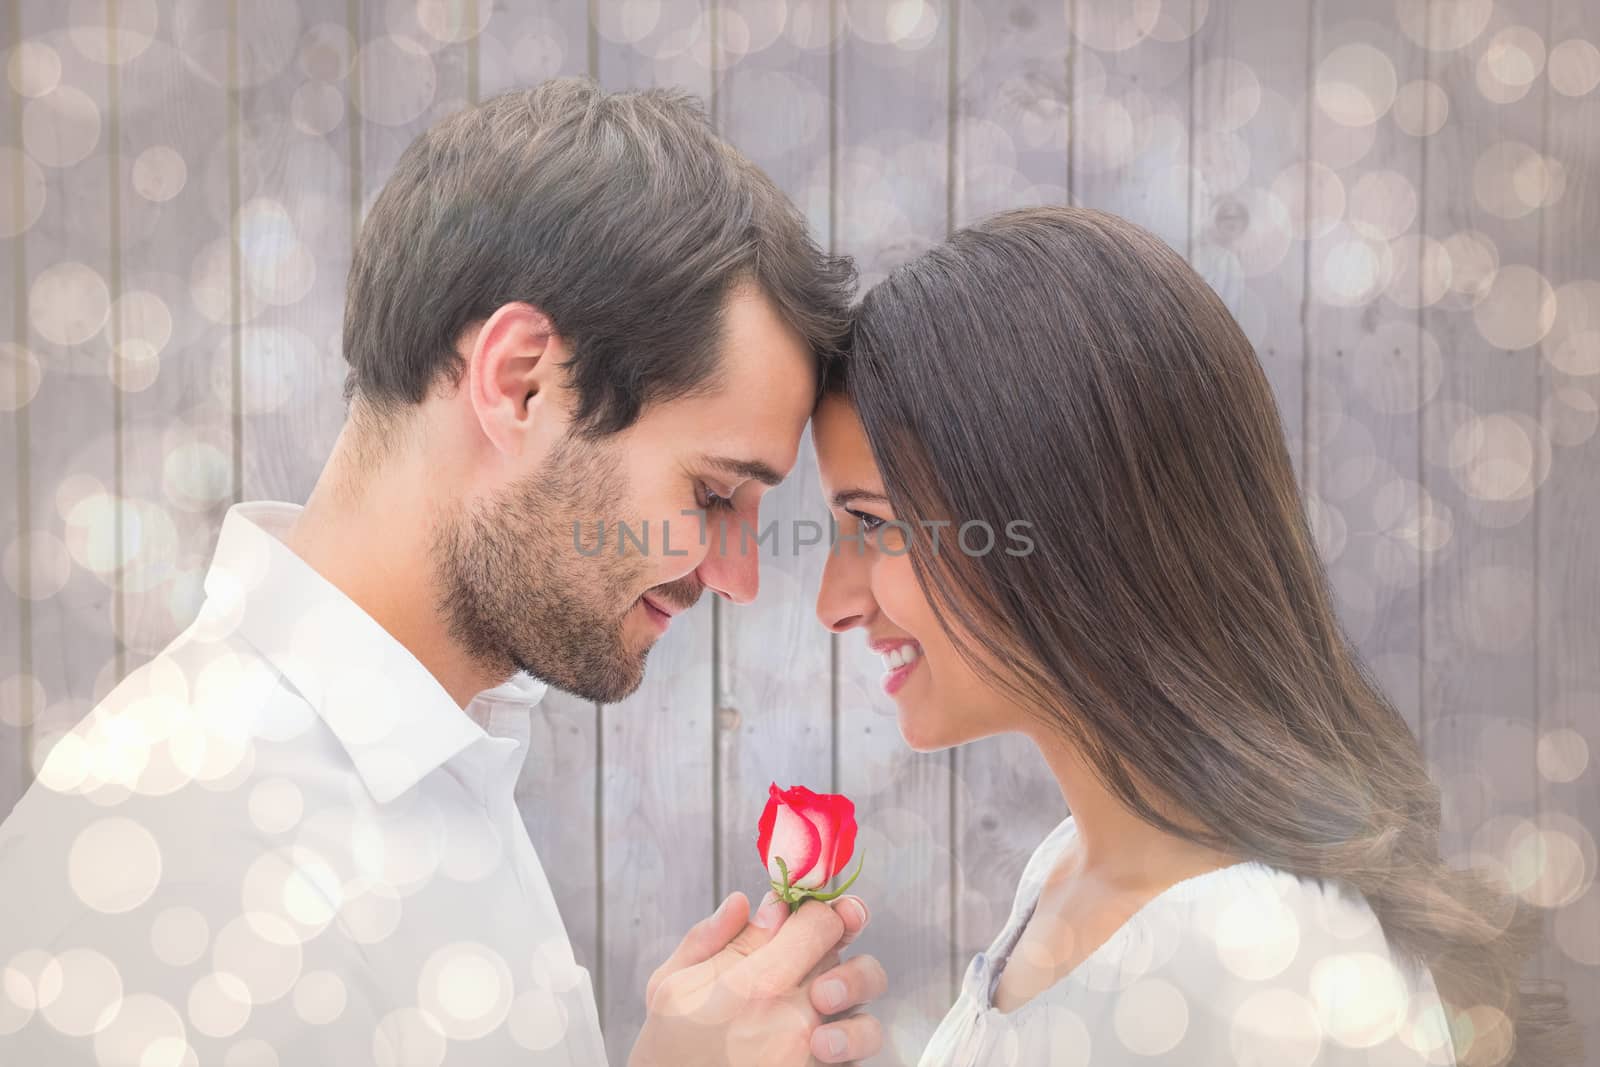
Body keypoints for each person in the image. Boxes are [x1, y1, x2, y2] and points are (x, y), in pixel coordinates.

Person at [0, 79, 885, 1066]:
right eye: (714, 493)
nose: (740, 577)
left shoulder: (438, 764)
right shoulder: (168, 860)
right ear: (520, 383)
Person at [812, 206, 1577, 1066]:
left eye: (874, 525)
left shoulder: (1250, 955)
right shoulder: (1069, 872)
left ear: (1063, 517)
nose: (832, 601)